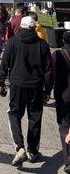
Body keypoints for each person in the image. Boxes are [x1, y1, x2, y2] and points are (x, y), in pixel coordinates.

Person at [0, 16, 53, 167]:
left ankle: (19, 147)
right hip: (36, 86)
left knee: (14, 114)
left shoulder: (13, 42)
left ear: (21, 26)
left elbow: (4, 63)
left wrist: (1, 83)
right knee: (35, 117)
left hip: (17, 85)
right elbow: (48, 70)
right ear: (34, 27)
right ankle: (32, 151)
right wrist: (48, 90)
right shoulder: (42, 44)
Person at [52, 31, 70, 173]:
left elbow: (50, 74)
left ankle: (68, 161)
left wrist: (46, 90)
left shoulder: (57, 54)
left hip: (63, 95)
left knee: (64, 127)